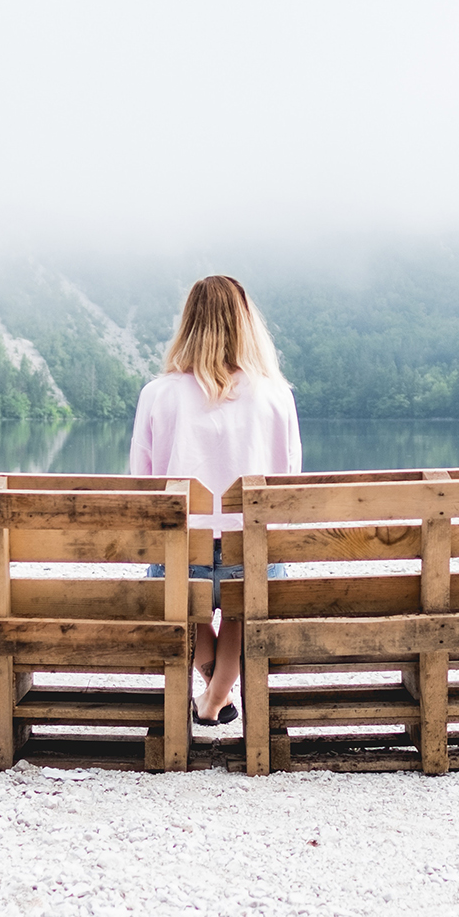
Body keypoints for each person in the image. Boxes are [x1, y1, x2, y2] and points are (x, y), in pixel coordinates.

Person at [130, 276, 302, 730]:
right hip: (255, 558)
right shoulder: (276, 395)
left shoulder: (157, 394)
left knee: (184, 591)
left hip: (180, 560)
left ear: (188, 325)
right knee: (247, 597)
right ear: (246, 324)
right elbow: (288, 486)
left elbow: (141, 485)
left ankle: (214, 696)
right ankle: (215, 698)